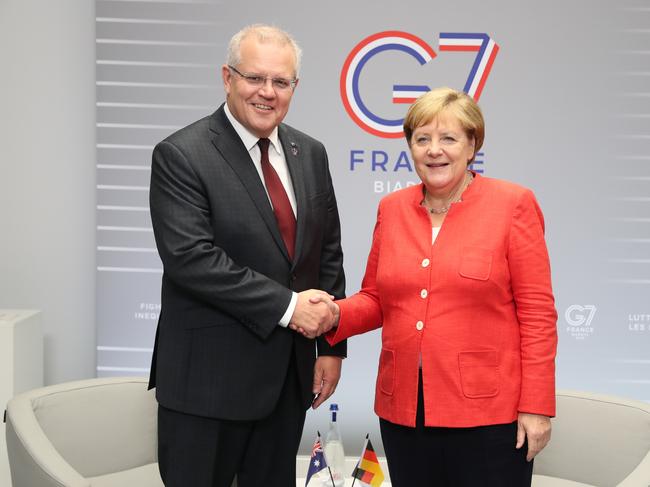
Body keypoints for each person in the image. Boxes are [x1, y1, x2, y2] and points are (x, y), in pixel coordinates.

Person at [301, 87, 558, 486]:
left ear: (472, 145)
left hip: (489, 416)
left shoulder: (513, 205)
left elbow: (538, 314)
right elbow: (375, 298)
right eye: (422, 139)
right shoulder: (392, 208)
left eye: (449, 138)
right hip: (404, 412)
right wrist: (334, 313)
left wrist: (537, 407)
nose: (434, 150)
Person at [148, 24, 345, 487]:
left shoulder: (309, 152)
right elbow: (191, 259)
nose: (267, 92)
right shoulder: (182, 154)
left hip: (285, 382)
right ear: (227, 77)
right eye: (255, 78)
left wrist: (331, 345)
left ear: (294, 87)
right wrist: (292, 307)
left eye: (281, 82)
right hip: (205, 387)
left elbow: (327, 253)